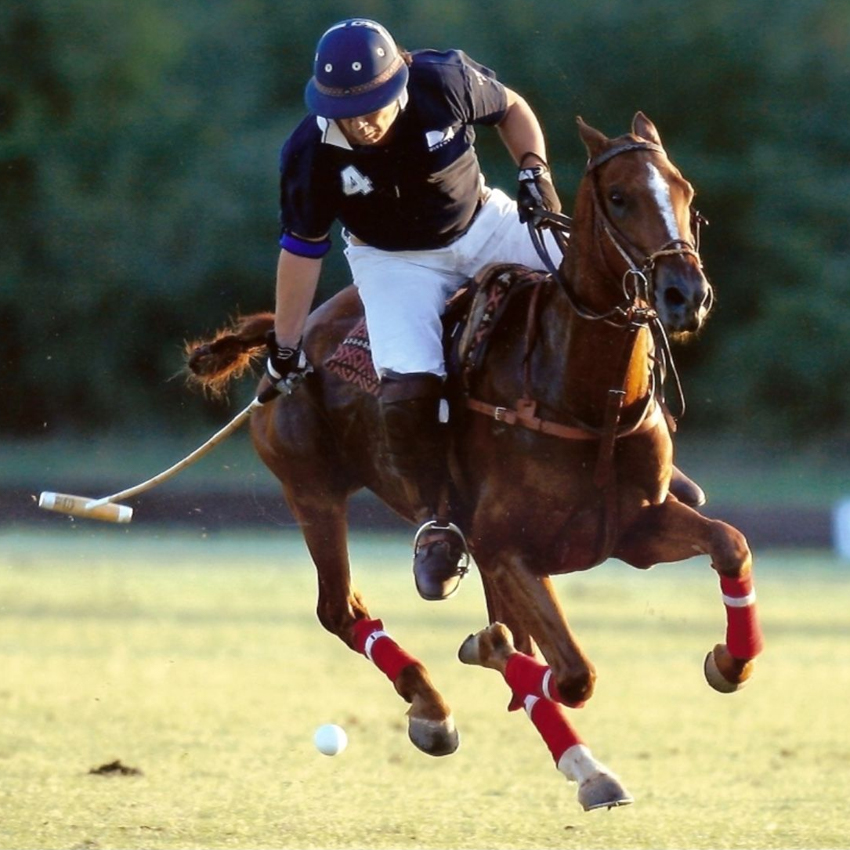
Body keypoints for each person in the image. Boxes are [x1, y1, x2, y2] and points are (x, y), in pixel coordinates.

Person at [263, 18, 704, 602]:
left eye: (372, 105)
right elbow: (301, 252)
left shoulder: (443, 80)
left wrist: (533, 170)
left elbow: (511, 108)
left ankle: (649, 447)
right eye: (346, 111)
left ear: (401, 81)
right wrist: (286, 346)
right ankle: (436, 521)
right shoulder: (308, 153)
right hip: (394, 261)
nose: (361, 121)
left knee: (606, 299)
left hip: (484, 224)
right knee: (410, 381)